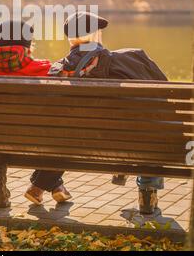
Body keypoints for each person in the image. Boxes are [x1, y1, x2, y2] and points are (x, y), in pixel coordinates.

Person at [49, 11, 167, 215]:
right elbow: (164, 96)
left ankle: (121, 165)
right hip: (130, 139)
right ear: (96, 35)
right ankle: (147, 191)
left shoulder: (57, 70)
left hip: (79, 142)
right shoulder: (131, 58)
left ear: (69, 38)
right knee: (151, 124)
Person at [0, 19, 72, 206]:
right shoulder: (42, 69)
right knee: (66, 134)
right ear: (28, 45)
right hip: (33, 140)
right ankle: (41, 186)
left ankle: (48, 187)